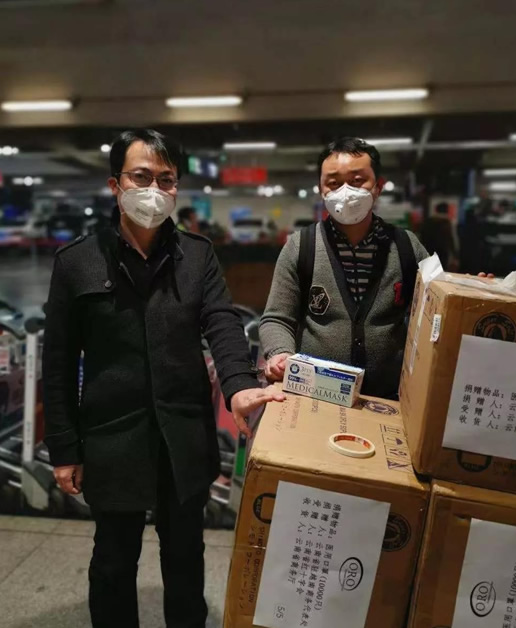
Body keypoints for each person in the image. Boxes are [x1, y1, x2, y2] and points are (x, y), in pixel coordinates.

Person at [42, 128, 284, 628]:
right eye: (141, 176)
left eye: (166, 179)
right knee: (113, 564)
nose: (154, 189)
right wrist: (64, 448)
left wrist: (239, 386)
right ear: (115, 184)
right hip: (112, 437)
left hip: (183, 437)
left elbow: (222, 322)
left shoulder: (197, 255)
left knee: (185, 560)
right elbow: (59, 361)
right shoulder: (77, 262)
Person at [259, 137, 430, 399]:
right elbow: (276, 318)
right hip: (315, 396)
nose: (346, 191)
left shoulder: (406, 246)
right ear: (321, 189)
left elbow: (437, 308)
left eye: (357, 180)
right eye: (334, 183)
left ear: (378, 186)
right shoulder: (301, 246)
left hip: (387, 399)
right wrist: (280, 352)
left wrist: (471, 294)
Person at [420, 201, 458, 270]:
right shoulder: (446, 223)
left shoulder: (428, 222)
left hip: (429, 252)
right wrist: (455, 256)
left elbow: (422, 237)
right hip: (442, 254)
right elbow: (450, 240)